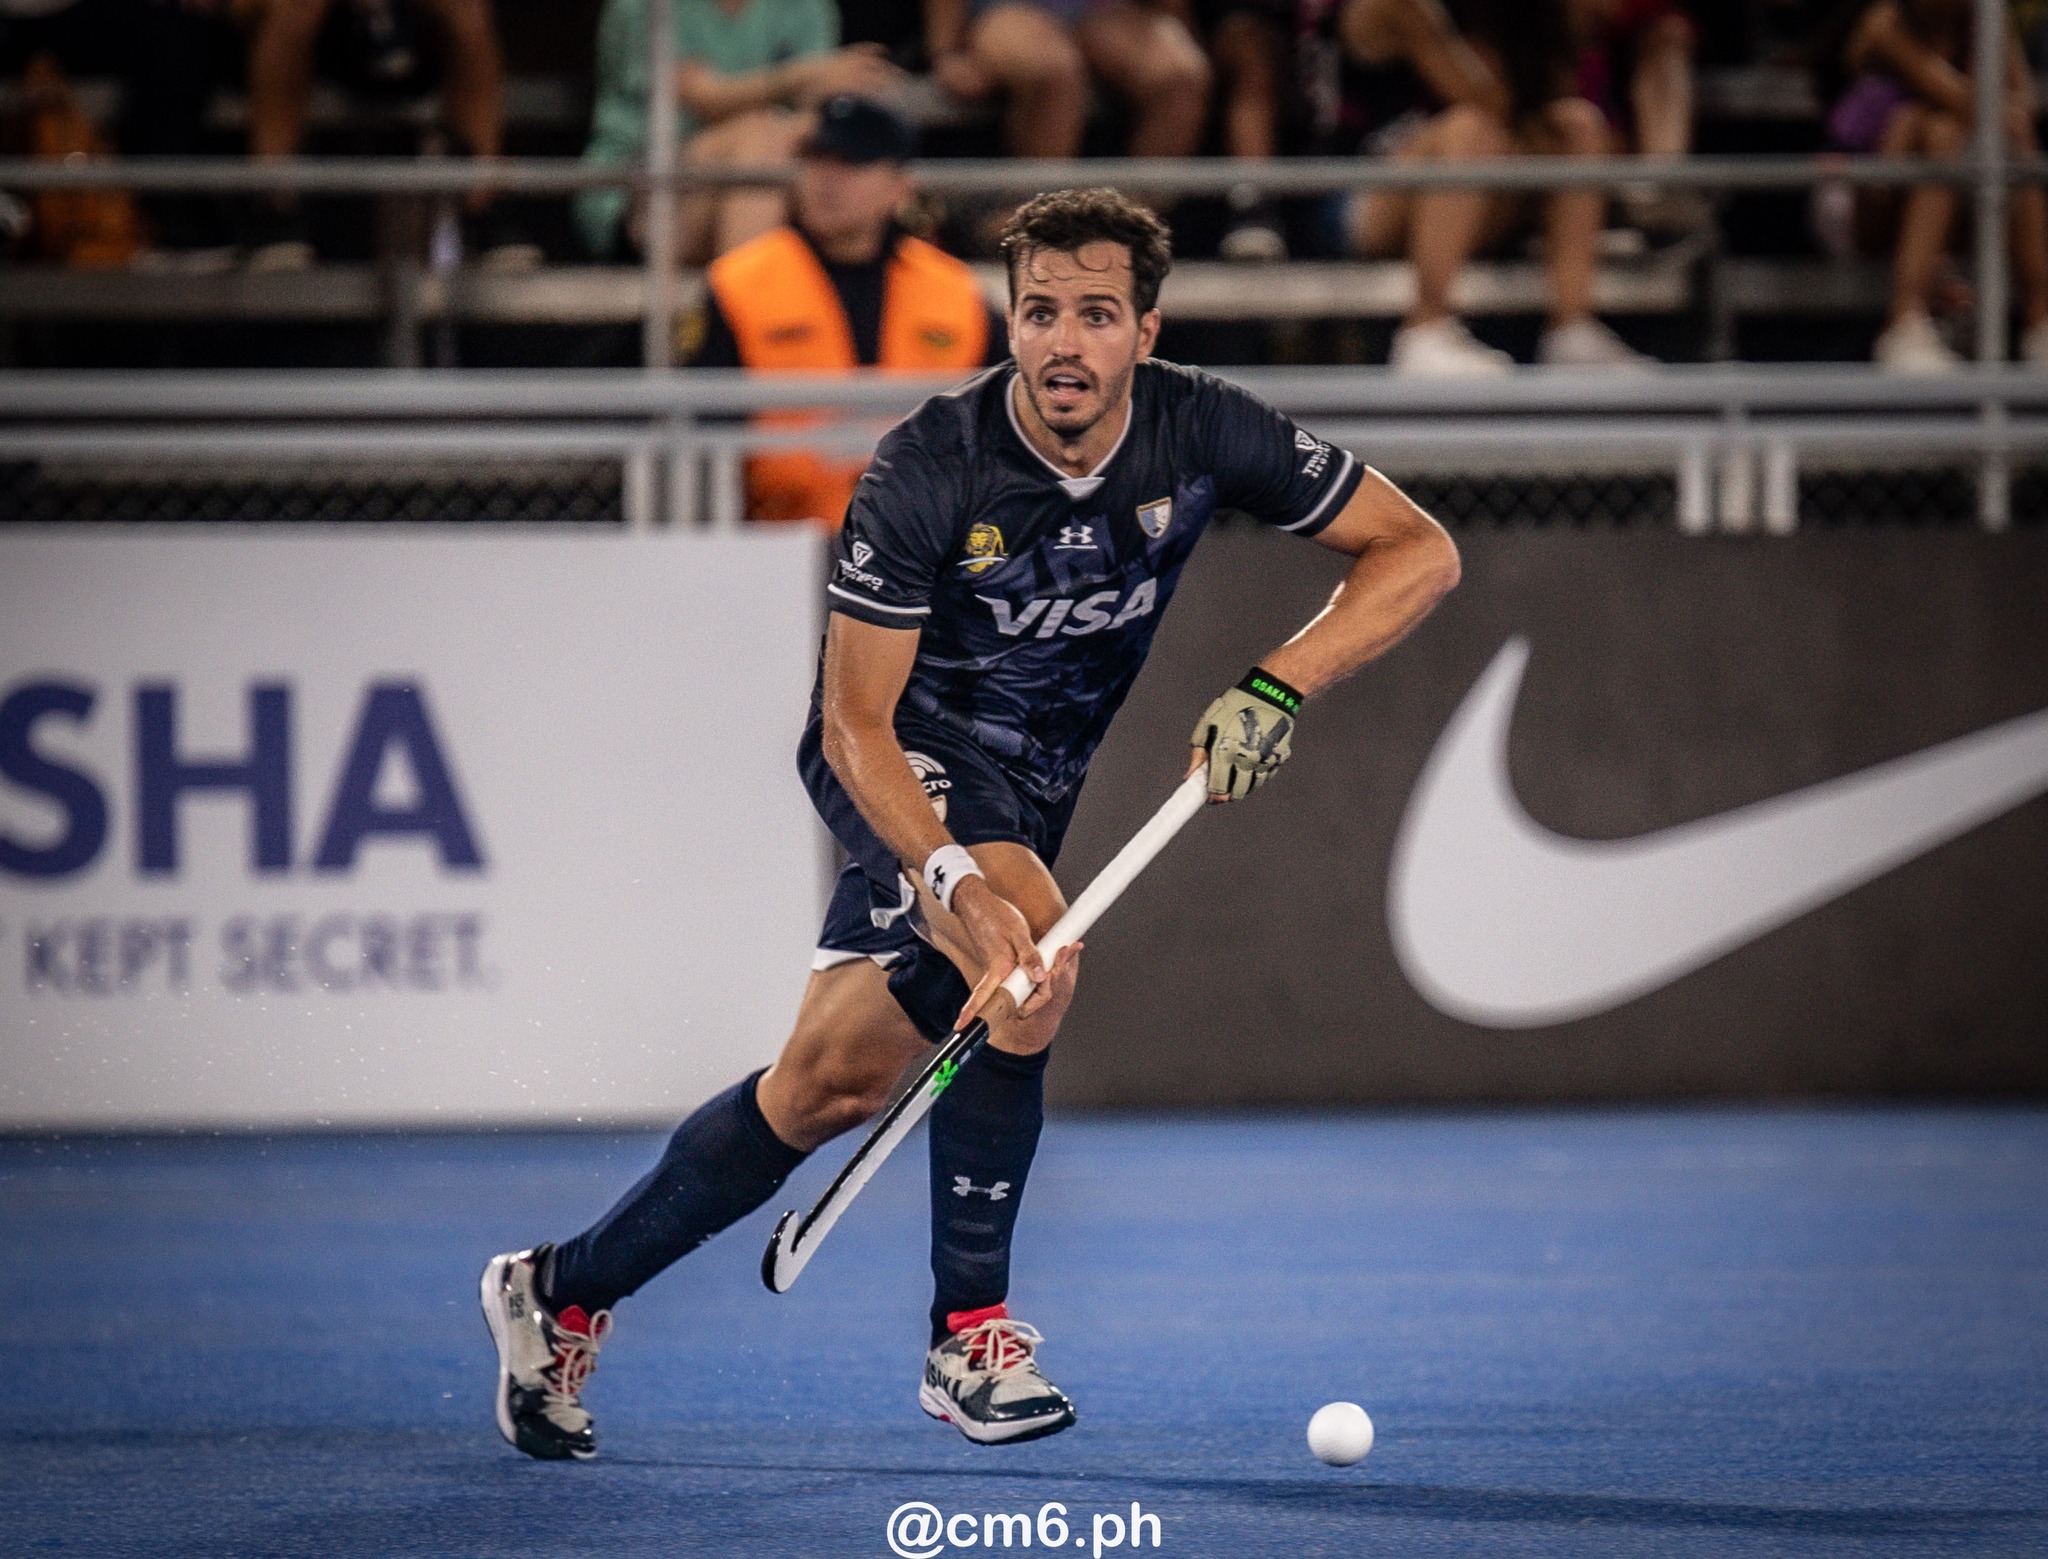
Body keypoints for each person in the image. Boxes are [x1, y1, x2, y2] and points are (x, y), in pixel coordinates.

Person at [480, 186, 1461, 1459]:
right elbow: (852, 722)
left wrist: (1277, 684)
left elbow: (1416, 551)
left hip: (1036, 782)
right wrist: (950, 879)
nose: (1063, 341)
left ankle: (557, 1289)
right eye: (1038, 311)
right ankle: (968, 1337)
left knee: (828, 1085)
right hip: (901, 755)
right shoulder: (929, 466)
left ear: (1145, 331)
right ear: (1009, 322)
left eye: (1095, 314)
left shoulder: (1203, 427)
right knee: (1028, 955)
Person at [685, 95, 1008, 525]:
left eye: (852, 164)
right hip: (779, 542)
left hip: (927, 543)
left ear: (899, 186)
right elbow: (698, 437)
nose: (827, 180)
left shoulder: (954, 290)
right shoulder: (738, 284)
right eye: (816, 160)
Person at [1334, 0, 1655, 374]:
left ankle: (1572, 331)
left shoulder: (1510, 13)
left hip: (1473, 192)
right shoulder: (1400, 8)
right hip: (1365, 200)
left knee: (1578, 126)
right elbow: (1484, 101)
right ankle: (1425, 330)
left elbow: (1558, 95)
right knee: (1470, 129)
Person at [576, 0, 903, 262]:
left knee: (821, 151)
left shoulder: (806, 6)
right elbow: (704, 98)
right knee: (759, 137)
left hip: (773, 182)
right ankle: (743, 315)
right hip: (641, 195)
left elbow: (816, 116)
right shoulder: (641, 6)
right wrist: (798, 78)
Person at [1826, 0, 2048, 370]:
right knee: (1938, 132)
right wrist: (2003, 113)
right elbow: (1953, 95)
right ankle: (1903, 321)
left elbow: (2023, 102)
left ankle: (2040, 322)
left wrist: (2007, 112)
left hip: (1943, 196)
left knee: (2007, 146)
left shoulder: (1985, 19)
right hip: (1864, 191)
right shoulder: (1885, 21)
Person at [241, 0, 530, 270]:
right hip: (328, 33)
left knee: (468, 6)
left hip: (408, 31)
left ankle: (485, 200)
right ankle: (273, 202)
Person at [922, 0, 1211, 162]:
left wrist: (1174, 20)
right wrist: (947, 51)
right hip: (1004, 7)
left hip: (1102, 9)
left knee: (1181, 77)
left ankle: (1130, 224)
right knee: (1054, 70)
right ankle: (1041, 222)